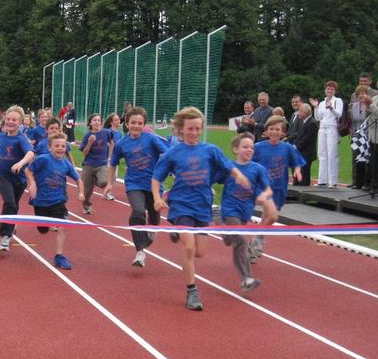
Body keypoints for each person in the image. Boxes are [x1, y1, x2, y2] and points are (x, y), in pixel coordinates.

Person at [151, 106, 250, 311]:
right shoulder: (173, 153)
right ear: (181, 129)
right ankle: (192, 291)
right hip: (181, 205)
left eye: (197, 129)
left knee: (200, 253)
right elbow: (156, 177)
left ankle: (178, 233)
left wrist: (238, 175)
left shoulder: (210, 150)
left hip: (202, 205)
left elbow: (227, 165)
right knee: (188, 248)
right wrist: (156, 197)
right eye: (190, 129)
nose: (194, 133)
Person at [105, 106, 168, 268]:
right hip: (134, 184)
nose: (136, 126)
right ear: (127, 123)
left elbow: (168, 155)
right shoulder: (121, 144)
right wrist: (110, 183)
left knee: (154, 217)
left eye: (140, 123)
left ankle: (153, 230)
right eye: (133, 122)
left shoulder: (151, 139)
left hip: (153, 184)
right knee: (138, 212)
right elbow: (113, 164)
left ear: (144, 124)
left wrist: (170, 170)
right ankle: (140, 251)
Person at [219, 132, 275, 291]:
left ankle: (224, 231)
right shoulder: (229, 167)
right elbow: (212, 177)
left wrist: (264, 196)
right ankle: (246, 279)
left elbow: (268, 189)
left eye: (251, 147)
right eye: (245, 147)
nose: (249, 150)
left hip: (245, 213)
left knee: (233, 239)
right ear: (236, 149)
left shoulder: (258, 169)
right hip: (230, 211)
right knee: (241, 241)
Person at [248, 116, 304, 262]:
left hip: (279, 188)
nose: (274, 132)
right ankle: (255, 242)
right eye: (271, 129)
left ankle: (255, 247)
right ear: (266, 131)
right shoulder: (259, 147)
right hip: (264, 188)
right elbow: (248, 163)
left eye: (277, 130)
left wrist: (297, 171)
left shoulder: (287, 148)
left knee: (266, 217)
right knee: (272, 217)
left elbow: (296, 162)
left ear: (283, 133)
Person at [26, 132, 85, 269]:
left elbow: (78, 180)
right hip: (41, 201)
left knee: (64, 223)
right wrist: (32, 183)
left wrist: (81, 192)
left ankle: (59, 256)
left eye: (63, 146)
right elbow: (28, 171)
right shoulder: (43, 159)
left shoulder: (66, 164)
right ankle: (46, 224)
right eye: (57, 146)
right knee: (43, 229)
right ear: (50, 147)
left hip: (58, 200)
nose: (60, 148)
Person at [0, 105, 35, 252]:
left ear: (21, 122)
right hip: (3, 176)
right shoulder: (1, 137)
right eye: (8, 119)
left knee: (14, 206)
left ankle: (11, 224)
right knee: (10, 203)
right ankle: (5, 235)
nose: (10, 122)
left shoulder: (21, 138)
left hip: (19, 179)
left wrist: (21, 163)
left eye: (14, 120)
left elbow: (30, 153)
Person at [79, 113, 114, 213]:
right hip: (89, 164)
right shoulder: (87, 136)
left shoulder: (106, 133)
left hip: (102, 163)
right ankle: (86, 207)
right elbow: (84, 153)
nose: (97, 122)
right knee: (87, 191)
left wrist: (109, 156)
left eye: (99, 120)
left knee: (104, 182)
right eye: (94, 120)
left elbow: (112, 143)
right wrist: (90, 142)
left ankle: (95, 180)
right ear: (90, 123)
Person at [310, 81, 343, 187]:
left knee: (332, 154)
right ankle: (322, 180)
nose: (329, 90)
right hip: (322, 128)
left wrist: (331, 108)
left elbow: (339, 114)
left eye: (332, 89)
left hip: (332, 128)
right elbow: (318, 118)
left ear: (335, 91)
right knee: (322, 154)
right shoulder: (322, 103)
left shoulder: (338, 101)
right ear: (325, 90)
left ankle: (333, 182)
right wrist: (315, 107)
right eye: (328, 89)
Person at [349, 86, 371, 189]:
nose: (361, 96)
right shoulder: (354, 106)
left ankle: (366, 182)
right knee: (356, 158)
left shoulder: (370, 106)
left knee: (366, 158)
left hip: (367, 135)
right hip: (357, 135)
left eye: (363, 93)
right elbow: (353, 121)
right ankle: (357, 181)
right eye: (359, 94)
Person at [292, 104, 318, 186]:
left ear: (306, 112)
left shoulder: (312, 123)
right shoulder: (304, 122)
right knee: (300, 173)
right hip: (302, 153)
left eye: (300, 111)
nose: (298, 113)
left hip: (306, 154)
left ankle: (303, 193)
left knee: (304, 175)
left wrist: (296, 147)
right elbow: (299, 135)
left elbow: (307, 139)